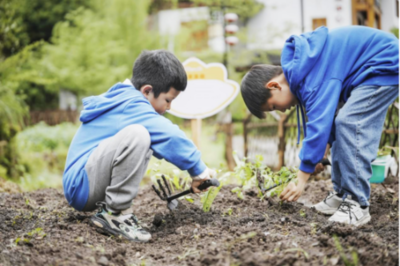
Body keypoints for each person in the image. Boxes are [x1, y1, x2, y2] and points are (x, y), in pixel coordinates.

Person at [240, 26, 399, 226]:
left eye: (273, 106)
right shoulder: (305, 73)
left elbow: (318, 124)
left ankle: (357, 203)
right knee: (342, 123)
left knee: (350, 122)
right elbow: (327, 119)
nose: (281, 111)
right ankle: (342, 195)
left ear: (274, 85)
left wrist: (301, 178)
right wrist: (324, 147)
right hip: (363, 73)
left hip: (382, 63)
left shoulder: (310, 77)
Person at [63, 50, 215, 242]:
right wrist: (198, 170)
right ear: (146, 91)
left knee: (145, 135)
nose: (169, 107)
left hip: (85, 181)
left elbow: (161, 142)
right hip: (82, 185)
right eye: (167, 100)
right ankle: (116, 215)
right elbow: (169, 135)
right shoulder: (131, 104)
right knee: (139, 134)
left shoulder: (125, 100)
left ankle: (115, 211)